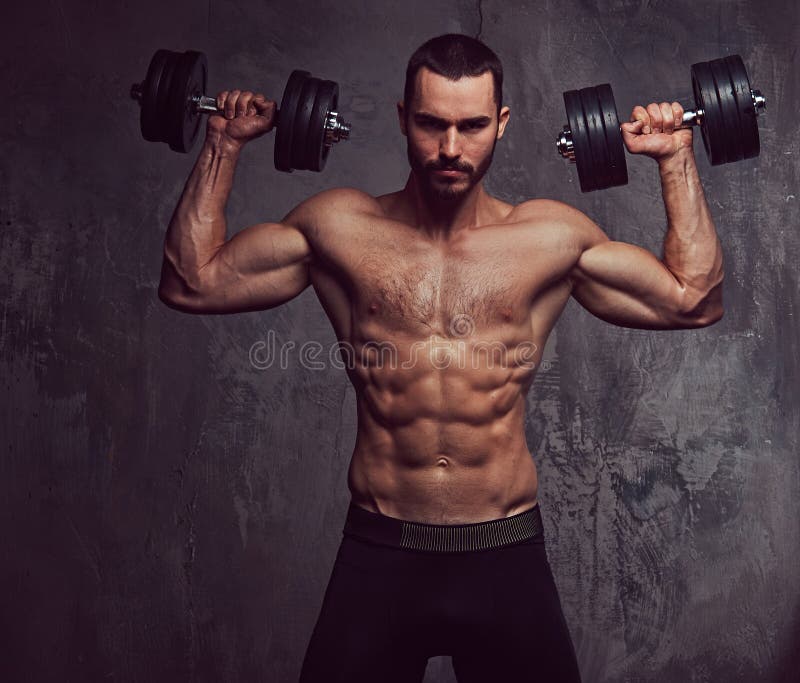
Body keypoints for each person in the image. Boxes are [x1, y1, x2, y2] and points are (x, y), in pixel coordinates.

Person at [158, 33, 723, 683]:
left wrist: (676, 156)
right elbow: (191, 281)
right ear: (403, 117)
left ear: (502, 124)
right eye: (431, 124)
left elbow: (693, 300)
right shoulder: (340, 228)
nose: (450, 148)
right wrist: (224, 145)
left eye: (472, 125)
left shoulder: (548, 237)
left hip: (503, 556)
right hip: (380, 554)